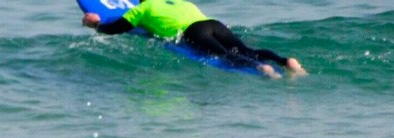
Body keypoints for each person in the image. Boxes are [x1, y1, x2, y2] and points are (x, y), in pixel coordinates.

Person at [82, 0, 307, 79]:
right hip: (214, 23)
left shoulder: (144, 7)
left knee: (225, 57)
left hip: (193, 32)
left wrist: (96, 24)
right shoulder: (181, 2)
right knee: (245, 49)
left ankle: (263, 70)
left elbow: (116, 29)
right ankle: (286, 62)